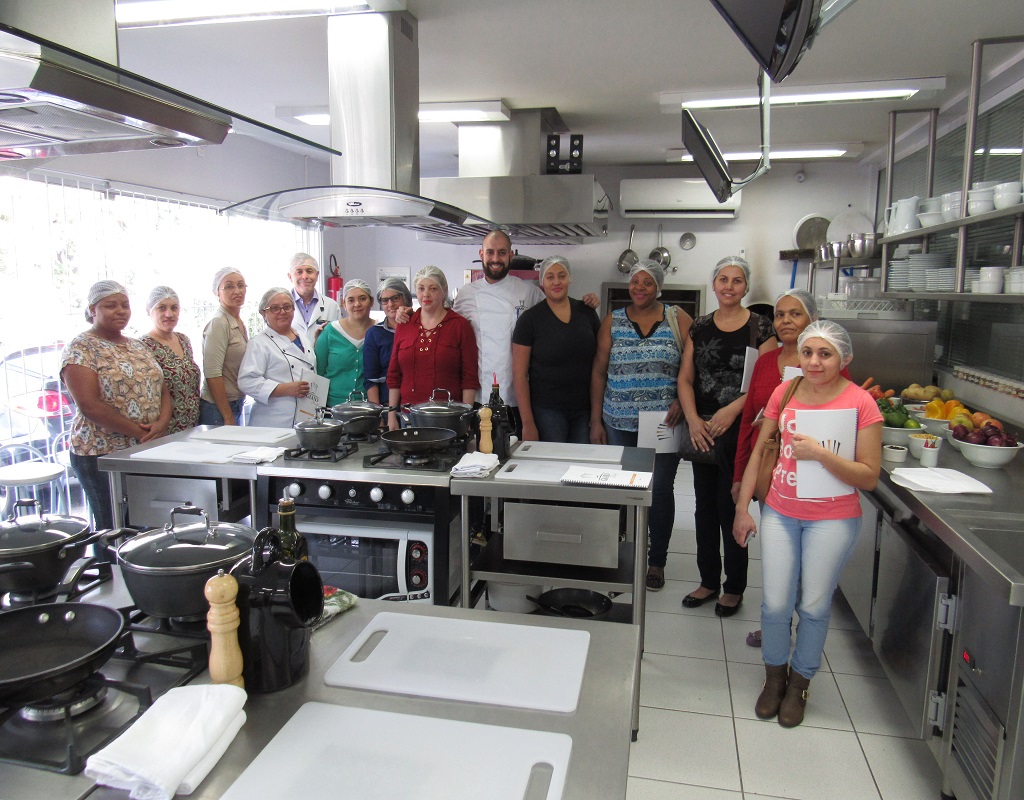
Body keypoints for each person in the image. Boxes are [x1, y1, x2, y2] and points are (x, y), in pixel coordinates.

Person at [732, 320, 882, 728]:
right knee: (776, 603)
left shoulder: (861, 403)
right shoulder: (788, 390)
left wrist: (820, 454)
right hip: (780, 511)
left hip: (832, 519)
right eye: (808, 352)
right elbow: (761, 454)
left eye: (825, 354)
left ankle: (800, 683)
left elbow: (868, 476)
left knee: (814, 605)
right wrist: (743, 508)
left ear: (844, 359)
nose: (814, 361)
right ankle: (774, 677)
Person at [733, 290, 852, 648]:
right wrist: (740, 476)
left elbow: (847, 423)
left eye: (795, 314)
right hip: (773, 476)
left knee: (809, 569)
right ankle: (777, 628)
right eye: (780, 315)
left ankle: (804, 634)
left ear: (812, 319)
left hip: (817, 481)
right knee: (779, 566)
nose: (785, 321)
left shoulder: (825, 367)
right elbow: (748, 425)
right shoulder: (764, 363)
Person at [678, 256, 777, 616]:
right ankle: (708, 580)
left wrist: (731, 409)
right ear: (714, 283)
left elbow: (767, 383)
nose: (729, 286)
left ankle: (734, 586)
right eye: (723, 279)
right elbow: (685, 378)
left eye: (737, 280)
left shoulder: (761, 328)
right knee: (703, 508)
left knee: (731, 506)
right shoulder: (700, 326)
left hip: (740, 429)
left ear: (746, 287)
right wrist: (692, 419)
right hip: (703, 429)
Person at [590, 260, 691, 591]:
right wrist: (596, 419)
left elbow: (695, 369)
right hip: (618, 419)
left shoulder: (677, 319)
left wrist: (681, 401)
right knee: (624, 490)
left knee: (659, 489)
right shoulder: (614, 320)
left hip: (663, 421)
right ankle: (620, 557)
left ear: (658, 286)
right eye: (635, 281)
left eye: (647, 282)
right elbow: (599, 372)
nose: (640, 287)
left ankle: (656, 561)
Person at [453, 230, 597, 434]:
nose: (495, 259)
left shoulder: (529, 292)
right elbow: (446, 324)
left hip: (517, 397)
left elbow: (557, 308)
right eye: (490, 252)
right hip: (481, 395)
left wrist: (587, 302)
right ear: (481, 254)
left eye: (502, 253)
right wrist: (406, 314)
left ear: (511, 255)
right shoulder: (466, 294)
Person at [60, 281, 171, 529]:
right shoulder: (81, 348)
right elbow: (90, 405)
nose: (120, 311)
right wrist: (141, 433)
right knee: (111, 525)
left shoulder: (137, 346)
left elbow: (161, 386)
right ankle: (106, 569)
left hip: (145, 448)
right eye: (111, 305)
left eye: (125, 305)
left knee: (143, 522)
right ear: (92, 310)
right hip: (101, 452)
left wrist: (162, 424)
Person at [512, 255, 599, 443]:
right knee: (553, 467)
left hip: (584, 410)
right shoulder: (530, 320)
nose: (556, 282)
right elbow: (519, 376)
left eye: (561, 276)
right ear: (542, 282)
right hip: (547, 411)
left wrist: (596, 416)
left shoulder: (587, 312)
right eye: (550, 277)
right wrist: (527, 423)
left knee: (581, 467)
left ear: (570, 278)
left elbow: (598, 366)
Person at [387, 266, 479, 429]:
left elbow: (469, 378)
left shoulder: (459, 326)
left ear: (444, 291)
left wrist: (465, 419)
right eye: (421, 289)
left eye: (433, 288)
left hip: (448, 416)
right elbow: (394, 375)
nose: (426, 294)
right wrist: (391, 415)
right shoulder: (404, 324)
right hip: (409, 416)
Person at [238, 288, 316, 428]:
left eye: (287, 307)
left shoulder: (302, 337)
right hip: (273, 422)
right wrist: (284, 389)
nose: (282, 312)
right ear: (264, 313)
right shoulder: (259, 343)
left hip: (305, 417)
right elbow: (246, 381)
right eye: (274, 308)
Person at [141, 286, 201, 434]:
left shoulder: (183, 340)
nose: (169, 314)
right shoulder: (143, 346)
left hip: (192, 425)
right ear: (149, 311)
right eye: (162, 308)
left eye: (174, 308)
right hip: (165, 429)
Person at [199, 268, 249, 426]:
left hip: (235, 402)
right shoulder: (219, 322)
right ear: (216, 292)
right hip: (218, 408)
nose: (237, 291)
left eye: (241, 285)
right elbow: (212, 373)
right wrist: (227, 416)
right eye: (229, 286)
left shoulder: (237, 321)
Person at [315, 279, 375, 406]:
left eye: (363, 299)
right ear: (343, 304)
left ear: (372, 302)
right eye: (351, 300)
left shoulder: (380, 332)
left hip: (370, 408)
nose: (357, 304)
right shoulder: (330, 332)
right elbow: (319, 374)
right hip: (334, 408)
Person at [363, 277, 413, 405]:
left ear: (406, 298)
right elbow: (371, 379)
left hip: (416, 402)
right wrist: (379, 416)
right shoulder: (374, 334)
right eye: (385, 301)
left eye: (395, 298)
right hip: (386, 405)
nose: (390, 304)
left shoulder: (419, 327)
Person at [288, 252, 340, 342]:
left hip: (322, 356)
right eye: (299, 272)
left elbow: (339, 340)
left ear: (317, 275)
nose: (304, 276)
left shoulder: (332, 306)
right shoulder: (279, 307)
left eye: (309, 271)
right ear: (290, 277)